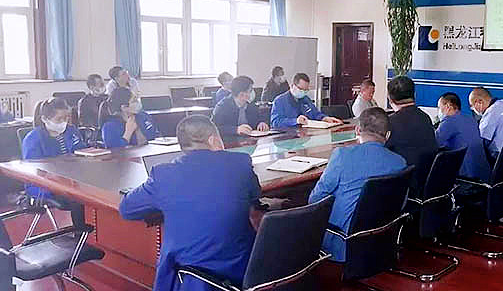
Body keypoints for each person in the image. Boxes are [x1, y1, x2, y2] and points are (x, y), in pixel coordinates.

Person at [119, 115, 261, 291]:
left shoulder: (163, 175)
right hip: (245, 270)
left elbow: (126, 209)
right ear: (213, 140)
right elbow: (255, 195)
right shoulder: (241, 163)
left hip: (193, 279)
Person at [308, 108, 406, 262]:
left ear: (357, 130)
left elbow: (315, 199)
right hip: (382, 239)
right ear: (387, 135)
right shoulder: (400, 162)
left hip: (342, 242)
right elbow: (401, 203)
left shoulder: (342, 155)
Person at [22, 98, 87, 225]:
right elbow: (35, 171)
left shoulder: (71, 131)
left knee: (91, 192)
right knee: (80, 198)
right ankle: (80, 231)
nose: (64, 122)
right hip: (44, 185)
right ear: (45, 119)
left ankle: (96, 231)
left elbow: (80, 151)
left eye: (66, 118)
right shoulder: (33, 139)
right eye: (59, 119)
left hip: (70, 179)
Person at [384, 76, 438, 198]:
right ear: (414, 94)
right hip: (426, 183)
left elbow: (380, 153)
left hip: (403, 187)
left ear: (390, 98)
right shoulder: (425, 117)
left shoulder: (390, 123)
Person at [435, 92, 491, 182]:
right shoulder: (470, 119)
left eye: (439, 107)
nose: (439, 111)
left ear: (448, 106)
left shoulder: (449, 121)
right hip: (483, 175)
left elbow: (434, 143)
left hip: (466, 178)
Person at [270, 73, 343, 128]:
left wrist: (325, 118)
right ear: (292, 86)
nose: (303, 92)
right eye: (301, 89)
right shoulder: (279, 101)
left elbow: (315, 114)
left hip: (304, 135)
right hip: (286, 137)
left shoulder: (305, 99)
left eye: (306, 90)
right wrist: (296, 121)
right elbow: (275, 122)